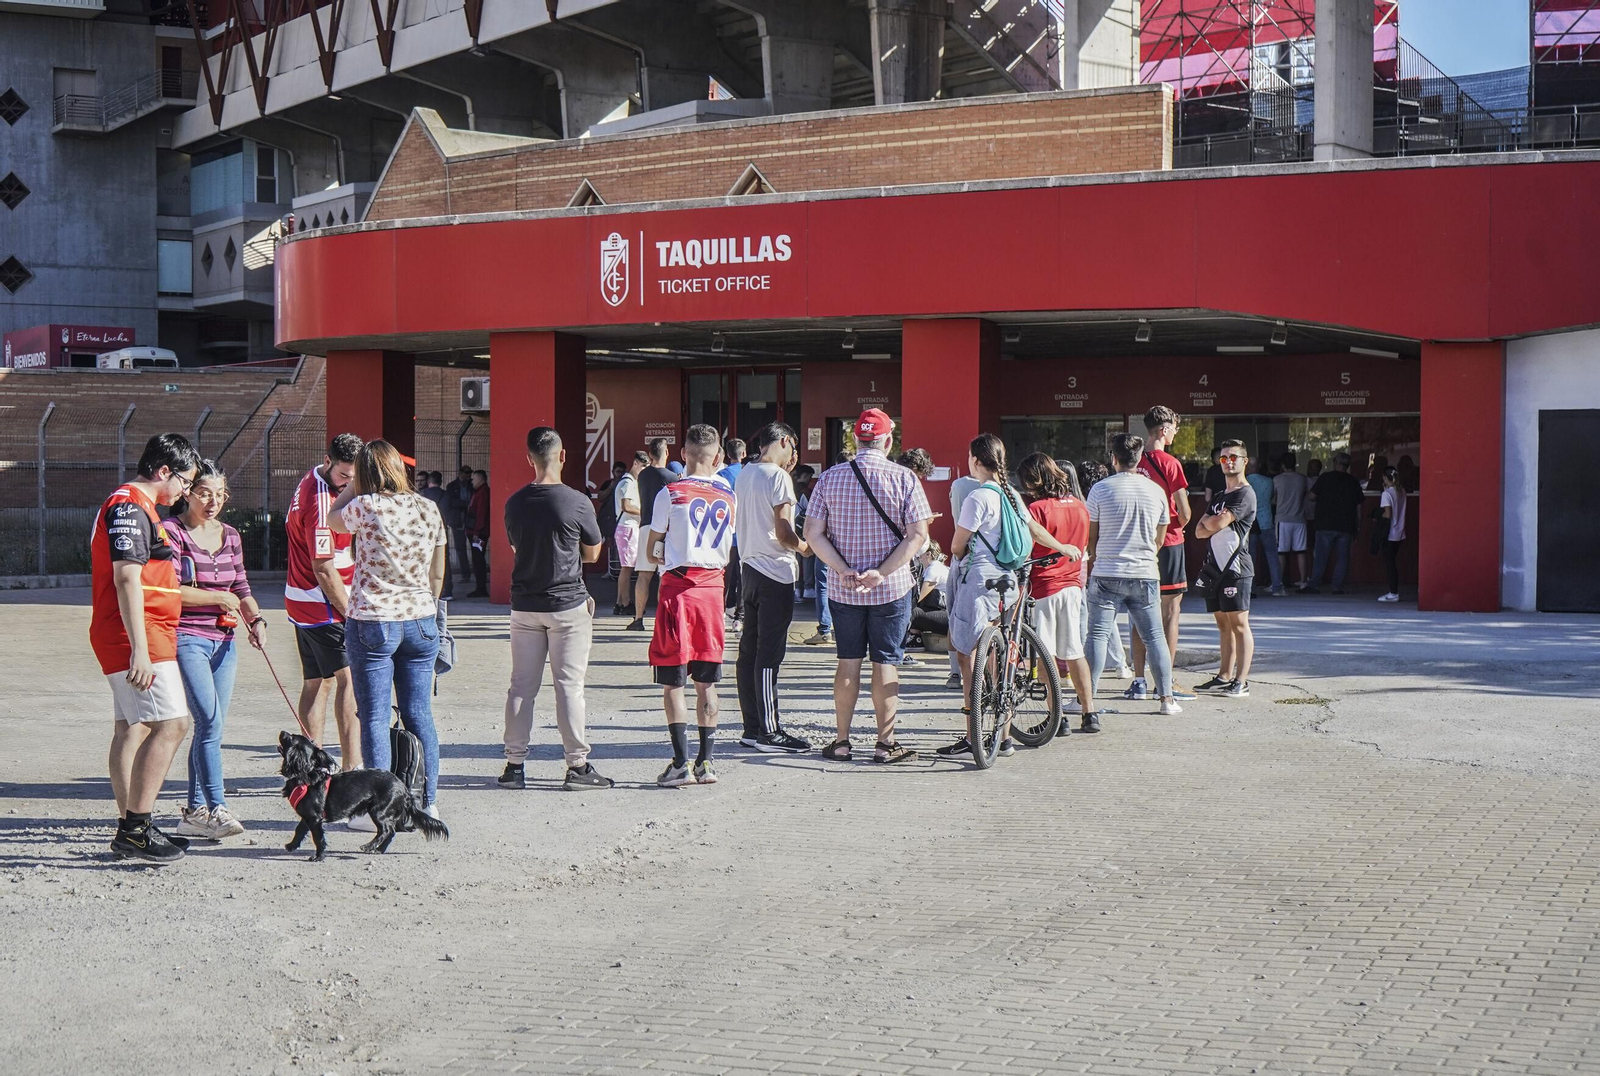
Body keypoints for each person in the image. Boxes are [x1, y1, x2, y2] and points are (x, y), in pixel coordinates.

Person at [91, 433, 201, 863]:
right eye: (185, 482)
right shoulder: (129, 506)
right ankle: (135, 828)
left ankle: (132, 824)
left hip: (140, 631)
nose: (186, 492)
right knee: (173, 724)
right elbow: (125, 578)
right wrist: (139, 649)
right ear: (163, 472)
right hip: (136, 634)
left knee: (132, 726)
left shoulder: (139, 507)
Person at [804, 409, 933, 764]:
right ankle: (885, 743)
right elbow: (918, 535)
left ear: (856, 440)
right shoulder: (905, 477)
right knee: (885, 662)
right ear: (888, 441)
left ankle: (842, 741)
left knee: (848, 662)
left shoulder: (829, 478)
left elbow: (812, 534)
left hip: (843, 590)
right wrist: (882, 571)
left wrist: (843, 568)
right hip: (890, 589)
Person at [937, 434, 1079, 758]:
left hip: (979, 582)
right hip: (1010, 581)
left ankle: (973, 737)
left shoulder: (977, 498)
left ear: (975, 460)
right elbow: (1035, 531)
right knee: (1002, 655)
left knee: (966, 653)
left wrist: (959, 549)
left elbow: (958, 545)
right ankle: (1004, 738)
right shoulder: (1012, 494)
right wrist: (1062, 548)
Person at [327, 439, 448, 819]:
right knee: (419, 714)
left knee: (375, 716)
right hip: (421, 619)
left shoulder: (365, 506)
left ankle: (378, 811)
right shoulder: (429, 508)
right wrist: (425, 604)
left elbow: (331, 518)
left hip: (374, 619)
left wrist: (352, 485)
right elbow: (438, 571)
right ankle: (428, 803)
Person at [499, 427, 610, 793]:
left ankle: (514, 766)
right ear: (562, 456)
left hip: (525, 607)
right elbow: (593, 554)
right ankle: (576, 766)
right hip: (568, 605)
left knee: (520, 688)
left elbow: (517, 548)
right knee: (568, 687)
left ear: (528, 458)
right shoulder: (578, 502)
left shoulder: (514, 503)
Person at [163, 460, 264, 841]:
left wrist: (257, 621)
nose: (213, 501)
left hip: (225, 642)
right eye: (205, 493)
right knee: (208, 722)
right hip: (187, 636)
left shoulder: (232, 535)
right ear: (187, 492)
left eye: (220, 495)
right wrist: (216, 597)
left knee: (211, 727)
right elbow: (171, 590)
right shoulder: (171, 532)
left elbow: (241, 586)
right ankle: (218, 808)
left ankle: (192, 812)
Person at [644, 424, 736, 786]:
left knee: (673, 682)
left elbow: (653, 549)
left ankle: (680, 761)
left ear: (683, 454)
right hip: (713, 592)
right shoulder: (729, 496)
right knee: (707, 684)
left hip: (678, 590)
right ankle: (707, 762)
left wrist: (666, 553)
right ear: (718, 457)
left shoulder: (671, 492)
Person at [1083, 433, 1181, 730]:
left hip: (1107, 572)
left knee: (1097, 636)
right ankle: (1166, 699)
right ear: (1139, 459)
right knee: (1155, 637)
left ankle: (1087, 697)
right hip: (1144, 573)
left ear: (1113, 458)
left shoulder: (1100, 490)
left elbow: (1092, 537)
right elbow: (1160, 538)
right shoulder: (1156, 491)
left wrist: (1097, 556)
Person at [285, 433, 364, 770]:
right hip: (324, 605)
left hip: (302, 601)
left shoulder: (313, 476)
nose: (351, 482)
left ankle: (310, 762)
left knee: (317, 681)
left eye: (356, 475)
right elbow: (324, 566)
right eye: (345, 475)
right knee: (351, 680)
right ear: (328, 461)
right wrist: (351, 613)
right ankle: (353, 766)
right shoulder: (320, 505)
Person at [733, 423, 813, 753]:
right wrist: (806, 547)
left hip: (749, 569)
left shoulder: (745, 472)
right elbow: (783, 532)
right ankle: (770, 731)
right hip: (775, 572)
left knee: (749, 652)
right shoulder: (778, 478)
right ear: (783, 441)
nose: (794, 456)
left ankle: (752, 728)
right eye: (793, 447)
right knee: (769, 655)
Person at [1017, 453, 1094, 724]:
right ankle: (1089, 713)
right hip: (1074, 585)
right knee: (1075, 651)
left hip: (1044, 587)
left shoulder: (1037, 509)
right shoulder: (1080, 506)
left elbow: (1026, 547)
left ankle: (1056, 718)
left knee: (1045, 655)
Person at [1128, 405, 1194, 704]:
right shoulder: (1171, 463)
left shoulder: (1133, 462)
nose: (1176, 434)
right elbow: (1184, 512)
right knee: (1170, 614)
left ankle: (1139, 680)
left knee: (1139, 614)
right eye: (1175, 429)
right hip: (1168, 544)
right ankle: (1165, 682)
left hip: (1137, 545)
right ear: (1165, 430)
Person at [1193, 440, 1256, 698]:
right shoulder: (1220, 496)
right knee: (1222, 624)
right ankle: (1224, 675)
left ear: (1244, 461)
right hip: (1214, 570)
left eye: (1233, 457)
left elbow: (1217, 522)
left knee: (1239, 624)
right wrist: (1211, 522)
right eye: (1223, 458)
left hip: (1236, 569)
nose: (1228, 461)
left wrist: (1211, 521)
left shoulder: (1245, 493)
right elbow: (1198, 531)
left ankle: (1242, 680)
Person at [1076, 459, 1132, 680]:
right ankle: (1120, 663)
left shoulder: (1085, 503)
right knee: (1106, 621)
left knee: (1092, 621)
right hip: (1106, 562)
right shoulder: (1110, 498)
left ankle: (1089, 671)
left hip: (1090, 564)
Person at [629, 438, 677, 631]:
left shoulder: (642, 476)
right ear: (667, 453)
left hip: (644, 526)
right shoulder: (673, 478)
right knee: (663, 575)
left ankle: (638, 619)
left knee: (643, 575)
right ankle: (661, 620)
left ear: (649, 454)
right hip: (664, 529)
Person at [1304, 451, 1363, 594]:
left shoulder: (1325, 478)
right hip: (1346, 526)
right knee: (1342, 558)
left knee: (1321, 557)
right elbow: (1359, 506)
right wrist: (1358, 525)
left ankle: (1314, 584)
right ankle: (1337, 587)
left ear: (1336, 463)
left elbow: (1311, 496)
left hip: (1325, 524)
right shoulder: (1353, 481)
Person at [612, 451, 646, 617]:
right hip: (628, 526)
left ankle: (620, 603)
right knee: (627, 568)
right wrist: (644, 512)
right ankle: (625, 603)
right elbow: (626, 506)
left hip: (627, 527)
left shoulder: (630, 481)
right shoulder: (628, 482)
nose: (644, 470)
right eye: (643, 466)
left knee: (626, 567)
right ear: (636, 463)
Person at [719, 437, 747, 627]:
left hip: (725, 533)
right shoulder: (748, 474)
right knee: (742, 575)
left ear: (727, 455)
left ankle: (721, 611)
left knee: (725, 574)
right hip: (745, 532)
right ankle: (740, 614)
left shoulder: (720, 476)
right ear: (744, 454)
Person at [1274, 452, 1311, 590]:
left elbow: (1273, 499)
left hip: (1283, 519)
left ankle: (1279, 582)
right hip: (1300, 519)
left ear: (1282, 465)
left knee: (1281, 552)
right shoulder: (1302, 479)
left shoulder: (1277, 479)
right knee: (1301, 551)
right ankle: (1303, 581)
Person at [1247, 454, 1282, 596]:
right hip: (1266, 521)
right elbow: (1273, 499)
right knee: (1272, 555)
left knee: (1250, 556)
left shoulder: (1244, 482)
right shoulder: (1269, 481)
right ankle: (1277, 587)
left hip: (1250, 523)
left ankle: (1250, 588)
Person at [419, 471, 454, 600]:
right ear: (441, 481)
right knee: (444, 560)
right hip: (442, 530)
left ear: (429, 481)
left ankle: (427, 590)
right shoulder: (447, 495)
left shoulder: (422, 495)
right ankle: (447, 590)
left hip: (424, 532)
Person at [1378, 467, 1407, 602]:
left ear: (1385, 478)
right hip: (1400, 532)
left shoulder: (1386, 494)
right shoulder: (1401, 491)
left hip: (1390, 533)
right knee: (1392, 562)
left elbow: (1388, 514)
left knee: (1389, 564)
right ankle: (1394, 591)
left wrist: (1378, 515)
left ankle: (1393, 592)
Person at [445, 465, 474, 582]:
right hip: (457, 520)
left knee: (474, 547)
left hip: (470, 519)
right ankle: (465, 575)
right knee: (460, 549)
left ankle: (473, 573)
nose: (468, 475)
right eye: (466, 473)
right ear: (460, 473)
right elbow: (451, 502)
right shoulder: (451, 486)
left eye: (470, 473)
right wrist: (466, 503)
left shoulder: (472, 485)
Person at [466, 469, 491, 597]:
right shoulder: (479, 492)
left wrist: (476, 532)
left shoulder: (482, 493)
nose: (472, 481)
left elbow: (481, 514)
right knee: (477, 559)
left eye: (474, 479)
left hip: (478, 533)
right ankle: (479, 587)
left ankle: (480, 588)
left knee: (478, 560)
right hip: (476, 532)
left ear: (481, 479)